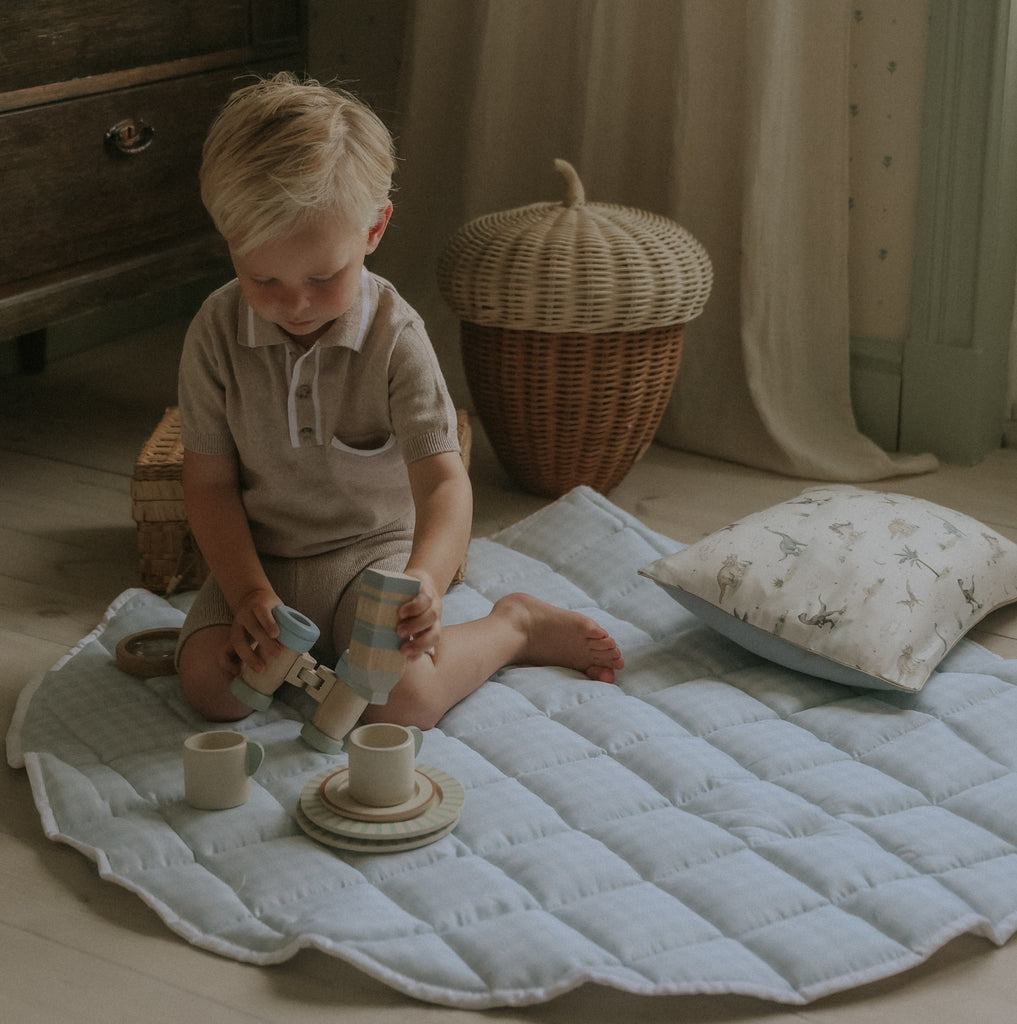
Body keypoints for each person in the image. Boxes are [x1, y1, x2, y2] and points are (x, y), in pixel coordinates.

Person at [175, 73, 623, 730]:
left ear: (373, 230)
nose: (293, 304)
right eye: (261, 277)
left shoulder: (395, 335)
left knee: (403, 702)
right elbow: (208, 485)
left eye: (322, 277)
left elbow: (444, 481)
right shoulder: (214, 333)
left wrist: (426, 580)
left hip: (370, 561)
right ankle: (279, 634)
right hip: (260, 560)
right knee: (209, 692)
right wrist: (246, 594)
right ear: (230, 244)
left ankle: (514, 626)